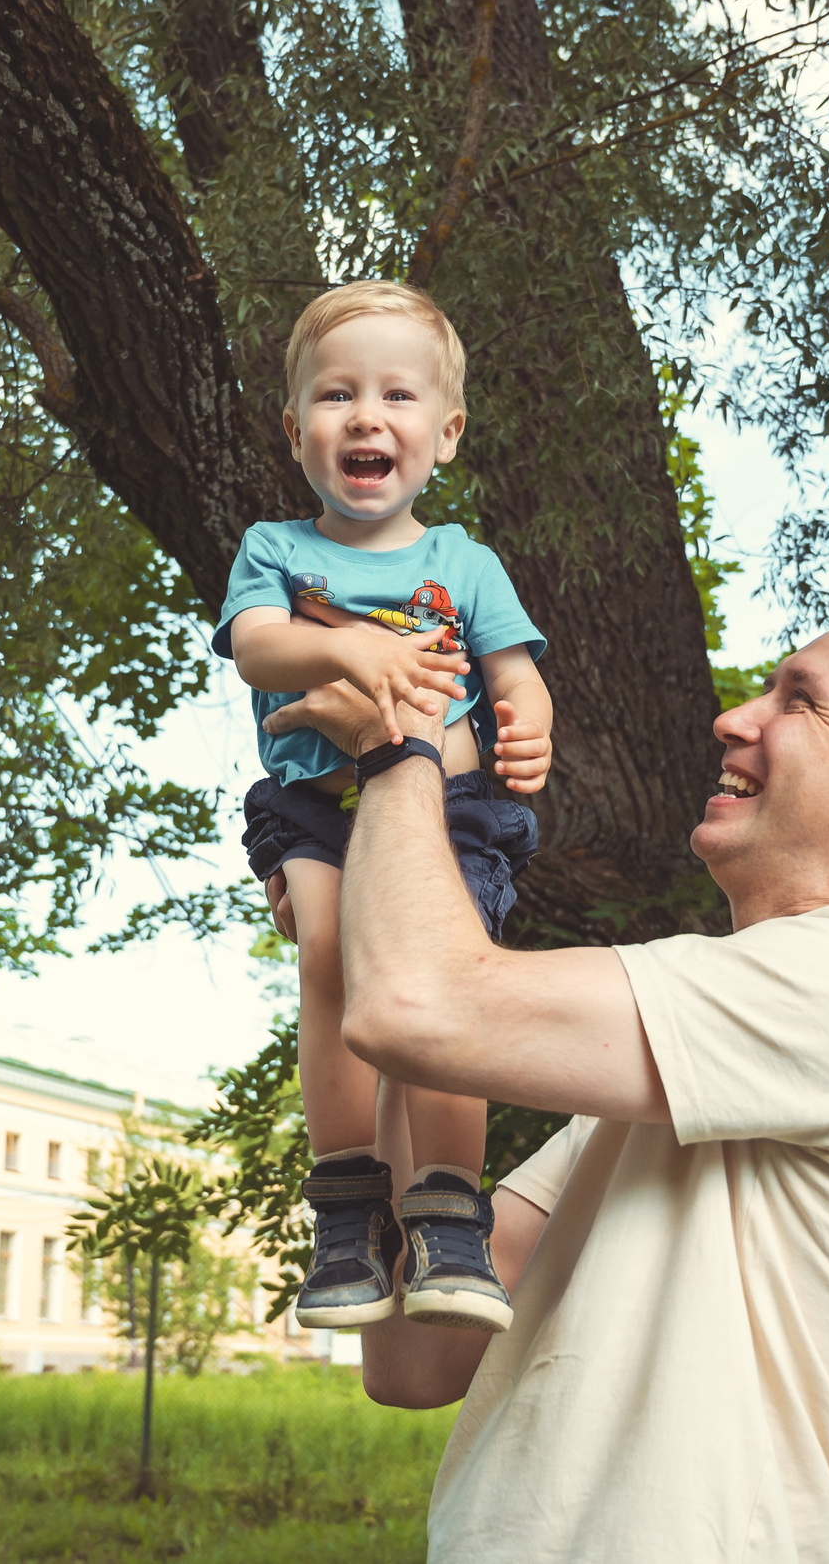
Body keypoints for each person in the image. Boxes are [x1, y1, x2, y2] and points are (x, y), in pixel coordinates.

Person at [281, 619, 829, 1562]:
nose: (733, 718)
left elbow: (421, 1006)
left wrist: (397, 743)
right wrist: (358, 923)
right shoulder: (674, 1090)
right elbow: (415, 1357)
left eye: (800, 701)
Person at [212, 280, 556, 1334]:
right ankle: (347, 1203)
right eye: (337, 395)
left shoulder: (464, 562)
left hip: (451, 808)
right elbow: (255, 647)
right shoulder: (276, 548)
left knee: (442, 988)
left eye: (398, 394)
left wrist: (529, 723)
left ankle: (448, 1211)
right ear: (296, 432)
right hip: (316, 807)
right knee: (328, 960)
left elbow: (514, 671)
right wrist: (354, 647)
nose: (366, 415)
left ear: (445, 433)